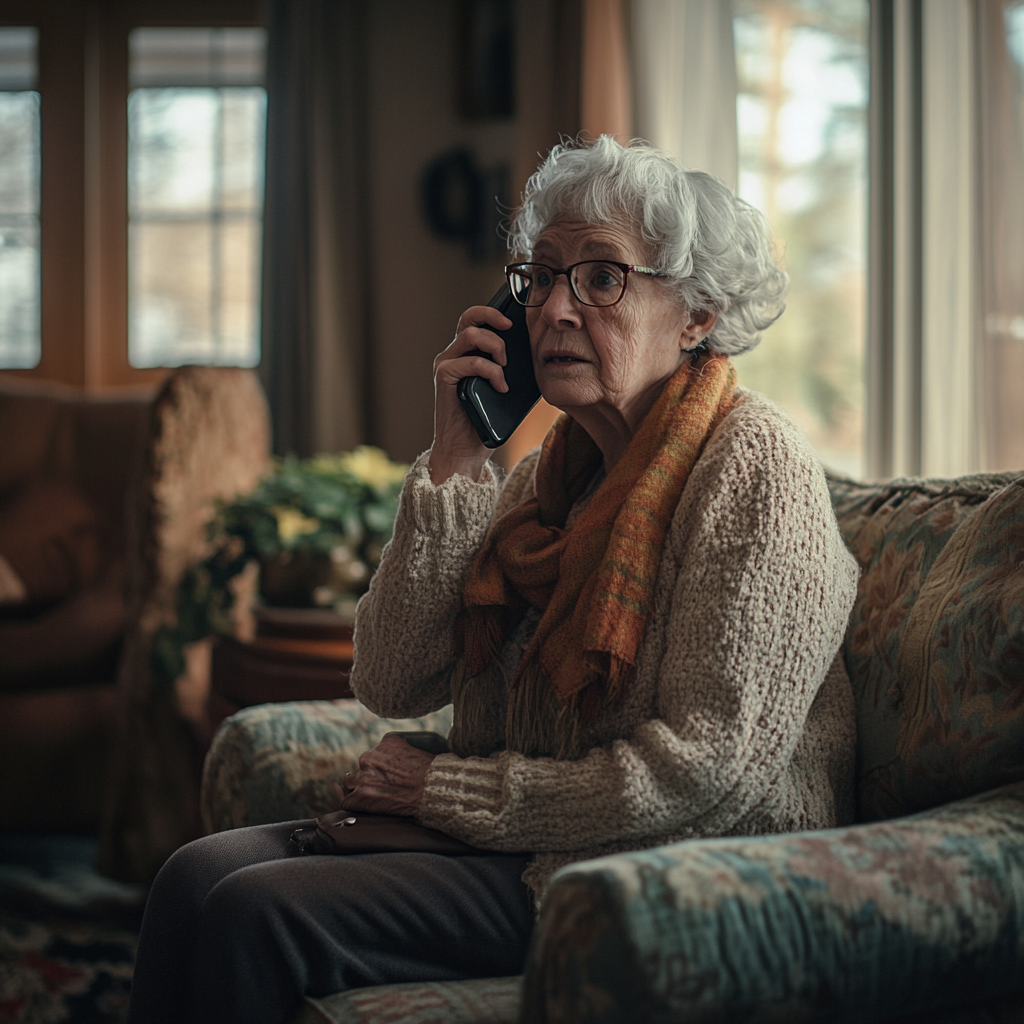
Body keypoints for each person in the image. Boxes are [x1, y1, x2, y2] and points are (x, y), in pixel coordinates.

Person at [126, 136, 859, 1024]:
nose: (553, 309)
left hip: (662, 874)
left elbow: (707, 774)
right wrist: (454, 457)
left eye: (600, 278)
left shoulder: (753, 464)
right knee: (190, 878)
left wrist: (444, 792)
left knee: (253, 915)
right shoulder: (544, 481)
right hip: (529, 843)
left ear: (697, 314)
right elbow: (391, 679)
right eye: (539, 276)